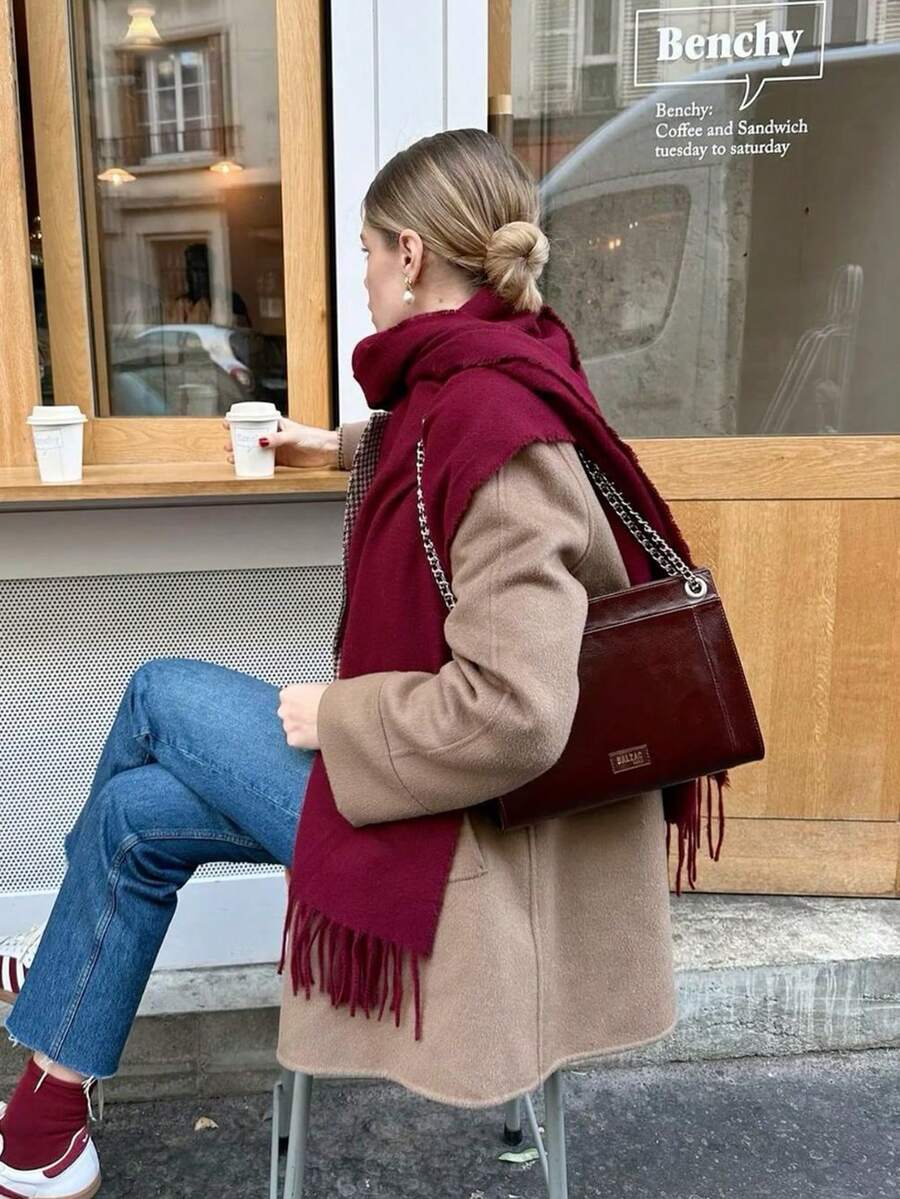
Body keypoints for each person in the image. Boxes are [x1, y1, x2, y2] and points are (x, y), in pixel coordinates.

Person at [0, 127, 695, 1196]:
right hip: (450, 804)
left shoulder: (498, 431)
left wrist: (338, 717)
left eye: (366, 250)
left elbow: (517, 711)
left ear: (410, 255)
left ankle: (49, 1001)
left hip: (467, 840)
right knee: (135, 813)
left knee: (156, 693)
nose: (360, 273)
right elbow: (424, 450)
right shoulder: (489, 371)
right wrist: (331, 445)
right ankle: (43, 1128)